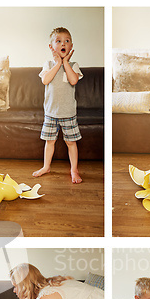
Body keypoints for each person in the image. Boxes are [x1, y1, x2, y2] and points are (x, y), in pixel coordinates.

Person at [33, 27, 83, 184]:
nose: (63, 43)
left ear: (71, 46)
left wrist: (65, 62)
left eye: (67, 41)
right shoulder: (48, 64)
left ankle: (74, 170)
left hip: (68, 113)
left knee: (71, 143)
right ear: (51, 47)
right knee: (50, 141)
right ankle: (46, 166)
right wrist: (58, 63)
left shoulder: (73, 65)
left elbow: (73, 80)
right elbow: (45, 80)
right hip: (51, 113)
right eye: (59, 41)